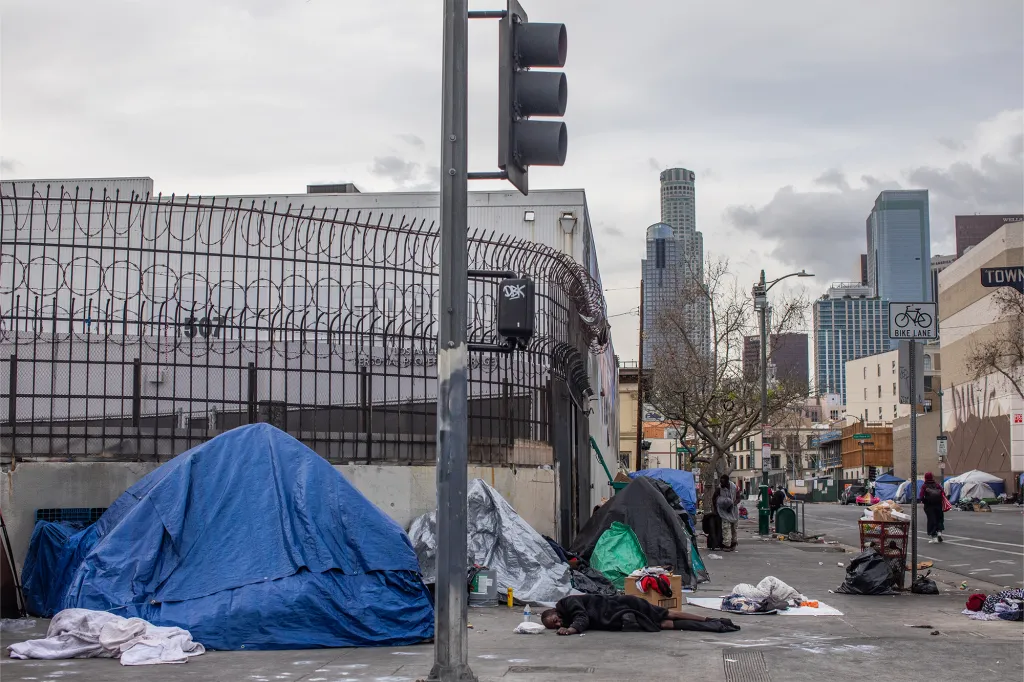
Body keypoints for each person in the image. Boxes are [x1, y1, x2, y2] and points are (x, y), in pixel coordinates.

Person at [540, 594, 740, 635]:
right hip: (620, 615)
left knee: (668, 615)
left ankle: (712, 619)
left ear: (555, 612)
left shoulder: (568, 603)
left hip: (624, 605)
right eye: (555, 626)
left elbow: (581, 617)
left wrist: (572, 629)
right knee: (664, 624)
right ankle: (714, 626)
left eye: (555, 621)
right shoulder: (565, 615)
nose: (558, 624)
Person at [715, 474, 740, 551]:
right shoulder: (719, 488)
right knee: (726, 528)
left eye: (723, 482)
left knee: (734, 528)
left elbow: (738, 498)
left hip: (733, 511)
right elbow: (714, 498)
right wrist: (715, 509)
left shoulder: (735, 487)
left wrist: (732, 504)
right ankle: (727, 545)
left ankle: (733, 543)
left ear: (727, 482)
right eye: (721, 482)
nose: (721, 484)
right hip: (723, 511)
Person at [920, 472, 945, 543]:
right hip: (938, 505)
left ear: (925, 477)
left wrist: (925, 501)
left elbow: (921, 496)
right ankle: (939, 532)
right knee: (939, 518)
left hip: (929, 505)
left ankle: (934, 537)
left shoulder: (924, 486)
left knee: (931, 520)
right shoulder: (937, 485)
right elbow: (943, 493)